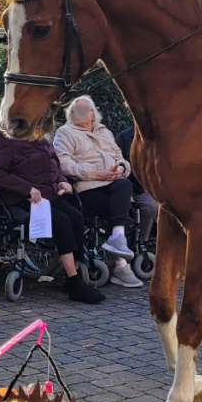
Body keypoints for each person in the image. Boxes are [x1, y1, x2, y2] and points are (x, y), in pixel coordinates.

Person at [0, 128, 105, 303]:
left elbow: (54, 166)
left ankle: (75, 273)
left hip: (50, 196)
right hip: (23, 200)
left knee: (76, 217)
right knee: (62, 222)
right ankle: (74, 282)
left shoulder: (43, 138)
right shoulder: (7, 138)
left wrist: (62, 181)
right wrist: (26, 189)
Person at [53, 97, 141, 289]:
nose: (82, 114)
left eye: (86, 110)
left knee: (125, 185)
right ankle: (121, 266)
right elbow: (63, 164)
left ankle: (118, 238)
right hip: (85, 189)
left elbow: (121, 159)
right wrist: (95, 173)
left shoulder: (105, 132)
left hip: (111, 184)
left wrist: (120, 169)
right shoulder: (65, 133)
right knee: (118, 210)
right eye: (77, 110)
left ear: (93, 114)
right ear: (72, 114)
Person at [113, 123, 160, 245]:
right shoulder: (123, 137)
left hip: (147, 189)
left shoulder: (158, 138)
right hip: (124, 186)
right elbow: (115, 162)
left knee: (151, 206)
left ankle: (141, 243)